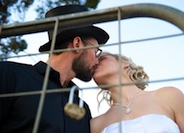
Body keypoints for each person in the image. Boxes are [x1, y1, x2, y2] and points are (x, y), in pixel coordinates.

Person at [0, 5, 109, 133]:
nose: (97, 61)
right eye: (96, 52)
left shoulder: (82, 108)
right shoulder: (9, 75)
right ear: (77, 44)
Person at [90, 52, 184, 133]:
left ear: (125, 63)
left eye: (101, 58)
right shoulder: (95, 124)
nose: (95, 62)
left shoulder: (170, 96)